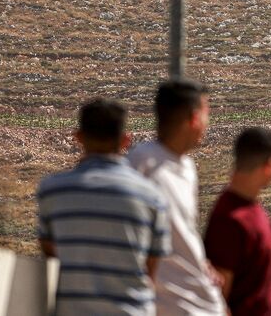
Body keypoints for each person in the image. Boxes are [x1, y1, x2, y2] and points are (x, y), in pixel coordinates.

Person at [36, 98, 170, 316]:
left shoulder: (53, 190)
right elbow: (151, 267)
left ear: (78, 137)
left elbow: (51, 252)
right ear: (126, 140)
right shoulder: (151, 196)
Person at [128, 79, 225, 316]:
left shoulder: (188, 167)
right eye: (206, 114)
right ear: (193, 118)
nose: (207, 124)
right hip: (171, 304)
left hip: (202, 300)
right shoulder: (141, 163)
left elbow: (183, 230)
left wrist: (202, 263)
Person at [204, 127, 271, 316]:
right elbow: (218, 300)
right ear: (269, 166)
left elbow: (254, 279)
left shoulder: (251, 210)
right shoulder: (230, 220)